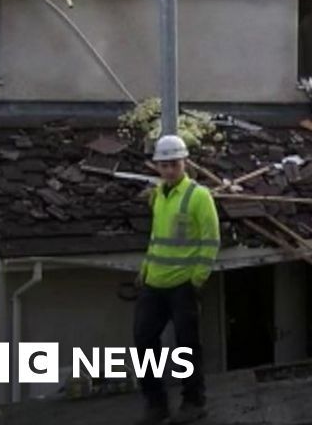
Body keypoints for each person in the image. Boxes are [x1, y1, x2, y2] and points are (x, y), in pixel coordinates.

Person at [134, 134, 220, 425]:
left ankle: (194, 402)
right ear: (157, 166)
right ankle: (156, 403)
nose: (169, 170)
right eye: (164, 165)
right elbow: (157, 237)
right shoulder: (158, 195)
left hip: (183, 285)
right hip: (154, 284)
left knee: (186, 347)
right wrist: (145, 269)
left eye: (174, 164)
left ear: (185, 163)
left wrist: (197, 279)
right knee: (144, 340)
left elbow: (211, 241)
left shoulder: (198, 196)